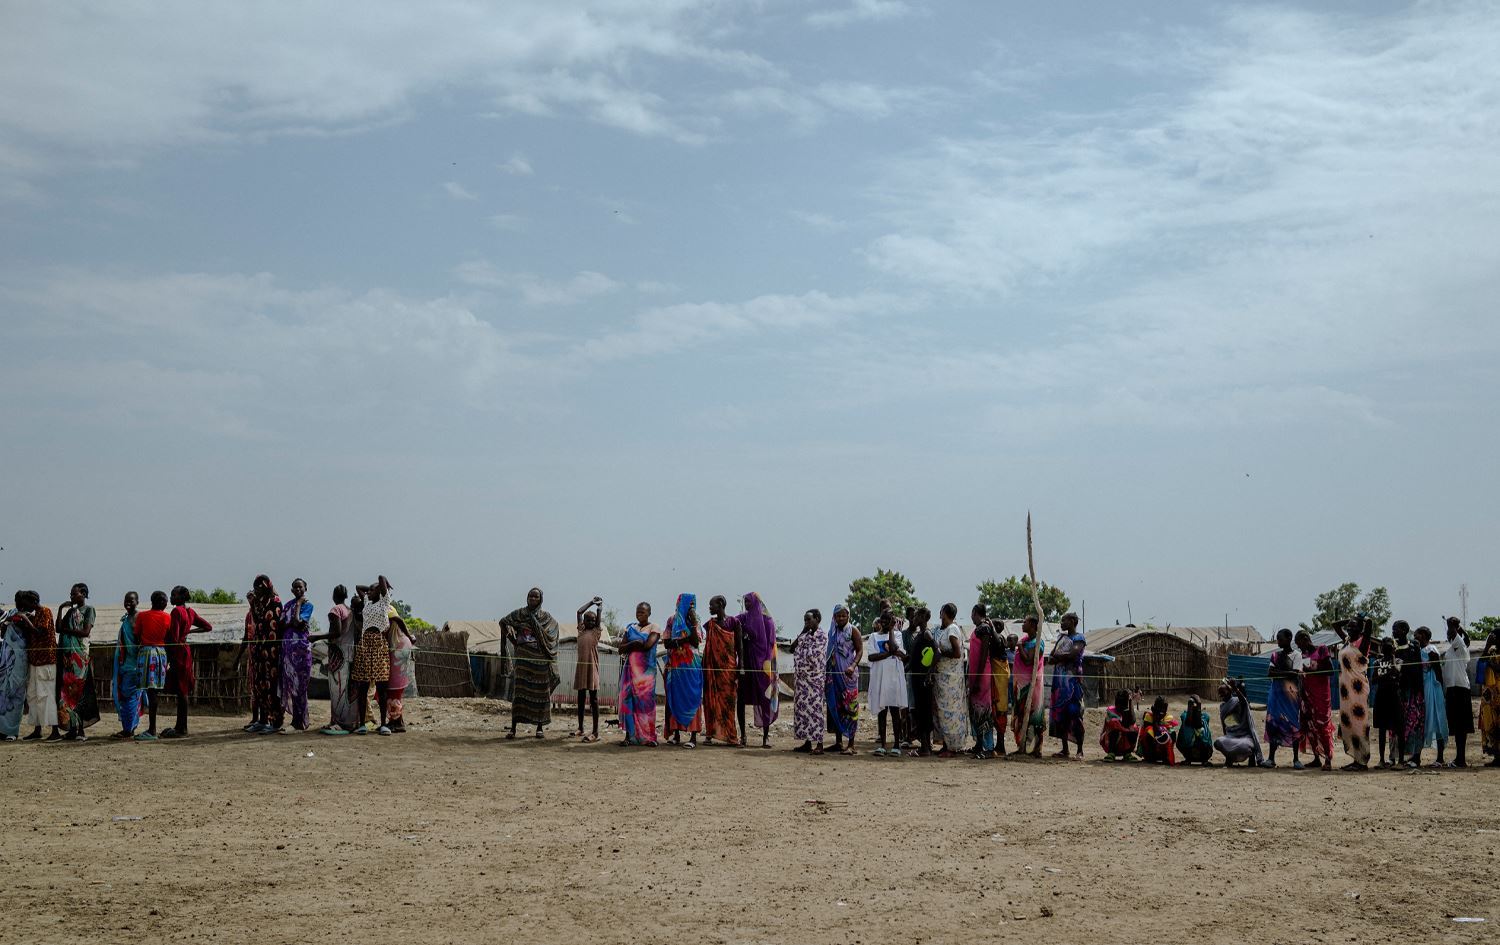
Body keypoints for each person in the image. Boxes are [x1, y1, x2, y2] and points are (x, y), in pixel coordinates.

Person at [500, 586, 560, 739]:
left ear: (541, 600)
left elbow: (554, 631)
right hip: (523, 660)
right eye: (530, 596)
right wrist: (513, 640)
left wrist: (545, 645)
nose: (533, 599)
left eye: (536, 597)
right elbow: (503, 622)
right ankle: (513, 728)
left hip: (540, 661)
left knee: (540, 693)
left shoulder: (546, 618)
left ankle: (539, 728)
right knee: (519, 693)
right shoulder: (520, 614)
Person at [726, 592, 778, 748]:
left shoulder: (768, 622)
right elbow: (730, 624)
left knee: (765, 700)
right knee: (740, 700)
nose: (747, 605)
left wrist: (769, 669)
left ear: (757, 602)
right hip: (745, 666)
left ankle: (766, 737)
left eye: (749, 602)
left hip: (763, 668)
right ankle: (743, 736)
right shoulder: (743, 618)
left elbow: (771, 646)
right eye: (745, 602)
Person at [55, 582, 98, 741]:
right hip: (67, 657)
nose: (72, 597)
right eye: (71, 594)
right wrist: (61, 609)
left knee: (79, 691)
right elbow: (58, 629)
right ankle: (72, 728)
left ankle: (81, 730)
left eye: (75, 594)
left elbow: (85, 632)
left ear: (84, 594)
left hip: (79, 656)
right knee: (66, 693)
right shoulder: (71, 611)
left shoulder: (89, 610)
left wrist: (67, 631)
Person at [351, 576, 393, 735]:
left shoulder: (385, 602)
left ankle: (383, 724)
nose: (369, 591)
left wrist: (383, 585)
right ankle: (362, 724)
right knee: (363, 686)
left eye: (373, 589)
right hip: (364, 644)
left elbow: (381, 577)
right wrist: (370, 589)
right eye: (369, 590)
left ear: (381, 592)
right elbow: (358, 586)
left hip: (379, 644)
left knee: (381, 687)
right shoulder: (367, 602)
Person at [241, 576, 282, 734]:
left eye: (259, 586)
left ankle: (275, 722)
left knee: (271, 686)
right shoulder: (259, 604)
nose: (256, 589)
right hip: (259, 650)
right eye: (255, 587)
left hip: (271, 652)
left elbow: (275, 624)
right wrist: (253, 603)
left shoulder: (275, 601)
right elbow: (256, 621)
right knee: (260, 686)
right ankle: (262, 720)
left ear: (267, 586)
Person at [15, 590, 59, 741]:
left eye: (27, 604)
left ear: (33, 602)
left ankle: (55, 731)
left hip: (46, 660)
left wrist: (25, 620)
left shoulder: (45, 612)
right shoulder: (36, 614)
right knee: (34, 695)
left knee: (47, 695)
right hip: (35, 660)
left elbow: (40, 631)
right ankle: (37, 729)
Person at [662, 594, 704, 748]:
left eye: (693, 604)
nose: (691, 607)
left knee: (692, 697)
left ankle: (693, 737)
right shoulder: (672, 620)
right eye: (689, 604)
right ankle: (676, 734)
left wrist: (692, 624)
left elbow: (695, 640)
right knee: (675, 698)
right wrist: (683, 640)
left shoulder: (695, 621)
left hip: (691, 667)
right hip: (675, 666)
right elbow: (667, 643)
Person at [317, 585, 359, 735]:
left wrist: (317, 637)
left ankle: (339, 722)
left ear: (334, 596)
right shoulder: (350, 611)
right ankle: (350, 721)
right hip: (350, 653)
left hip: (338, 654)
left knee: (338, 690)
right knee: (347, 689)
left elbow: (336, 633)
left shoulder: (335, 610)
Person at [617, 602, 660, 746]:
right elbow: (620, 648)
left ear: (649, 613)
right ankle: (630, 736)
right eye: (638, 612)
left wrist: (631, 643)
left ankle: (648, 737)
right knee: (628, 702)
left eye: (642, 612)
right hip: (630, 672)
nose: (639, 614)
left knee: (645, 704)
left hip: (646, 674)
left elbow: (648, 645)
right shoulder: (631, 628)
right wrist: (634, 643)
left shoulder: (654, 627)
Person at [1334, 617, 1374, 770]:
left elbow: (1369, 624)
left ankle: (1362, 761)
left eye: (1353, 627)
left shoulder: (1363, 643)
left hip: (1358, 690)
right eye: (1348, 627)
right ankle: (1356, 759)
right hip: (1345, 691)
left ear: (1360, 629)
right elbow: (1335, 625)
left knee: (1359, 724)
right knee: (1348, 723)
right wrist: (1349, 620)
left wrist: (1363, 619)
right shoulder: (1346, 641)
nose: (1349, 629)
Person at [866, 608, 907, 756]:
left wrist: (891, 631)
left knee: (895, 711)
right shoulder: (873, 636)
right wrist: (889, 653)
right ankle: (882, 745)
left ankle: (896, 744)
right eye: (882, 620)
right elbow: (871, 657)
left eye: (888, 620)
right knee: (882, 712)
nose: (884, 623)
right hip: (880, 677)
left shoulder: (897, 634)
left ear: (892, 622)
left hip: (894, 678)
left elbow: (896, 648)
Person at [132, 591, 172, 741]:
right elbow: (168, 637)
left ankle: (152, 730)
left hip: (147, 653)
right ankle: (152, 729)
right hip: (161, 653)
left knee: (151, 691)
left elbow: (137, 636)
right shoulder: (167, 617)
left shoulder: (142, 616)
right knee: (153, 690)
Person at [932, 603, 970, 757]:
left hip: (951, 679)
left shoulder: (953, 630)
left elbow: (957, 652)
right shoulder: (942, 630)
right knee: (942, 712)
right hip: (942, 677)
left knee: (951, 712)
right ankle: (946, 744)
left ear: (944, 613)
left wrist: (941, 652)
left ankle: (952, 747)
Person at [700, 595, 739, 746]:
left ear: (721, 604)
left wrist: (740, 666)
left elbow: (739, 645)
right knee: (710, 701)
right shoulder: (710, 625)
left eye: (712, 605)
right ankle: (710, 734)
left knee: (728, 703)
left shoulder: (733, 622)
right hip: (711, 668)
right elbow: (708, 648)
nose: (710, 608)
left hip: (728, 668)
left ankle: (730, 736)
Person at [279, 578, 315, 732]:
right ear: (292, 589)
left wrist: (299, 605)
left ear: (305, 588)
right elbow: (282, 624)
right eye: (295, 587)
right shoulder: (287, 605)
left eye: (300, 587)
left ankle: (299, 722)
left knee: (300, 686)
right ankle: (295, 721)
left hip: (300, 650)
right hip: (288, 651)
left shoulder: (307, 605)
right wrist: (292, 622)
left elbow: (298, 622)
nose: (297, 589)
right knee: (291, 685)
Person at [825, 604, 862, 755]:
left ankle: (851, 744)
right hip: (834, 675)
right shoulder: (832, 632)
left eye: (843, 615)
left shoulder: (853, 630)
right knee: (836, 706)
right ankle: (838, 742)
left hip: (848, 675)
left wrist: (853, 666)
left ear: (848, 616)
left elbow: (859, 650)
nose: (840, 618)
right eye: (838, 616)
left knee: (850, 708)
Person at [1263, 628, 1302, 768]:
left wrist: (1279, 672)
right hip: (1276, 695)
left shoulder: (1297, 655)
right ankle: (1271, 758)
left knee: (1293, 724)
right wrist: (1287, 672)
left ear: (1289, 638)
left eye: (1280, 638)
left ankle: (1296, 759)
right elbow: (1270, 673)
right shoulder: (1275, 655)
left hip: (1290, 697)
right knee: (1273, 723)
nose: (1278, 641)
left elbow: (1295, 674)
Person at [1048, 612, 1086, 758]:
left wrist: (1058, 656)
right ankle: (1065, 749)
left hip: (1073, 682)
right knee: (1061, 715)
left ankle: (1080, 749)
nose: (1061, 623)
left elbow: (1073, 655)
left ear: (1072, 621)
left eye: (1064, 620)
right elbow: (1051, 658)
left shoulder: (1079, 638)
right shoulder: (1061, 638)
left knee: (1075, 714)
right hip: (1059, 683)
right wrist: (1059, 657)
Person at [1296, 629, 1335, 771]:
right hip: (1307, 695)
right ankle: (1317, 758)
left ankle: (1328, 759)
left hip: (1321, 695)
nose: (1299, 647)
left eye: (1299, 644)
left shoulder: (1322, 650)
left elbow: (1330, 670)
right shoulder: (1303, 655)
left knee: (1322, 726)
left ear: (1306, 639)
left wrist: (1311, 671)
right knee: (1308, 726)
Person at [792, 608, 827, 755]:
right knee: (803, 711)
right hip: (802, 682)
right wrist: (803, 631)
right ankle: (807, 742)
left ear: (817, 619)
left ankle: (819, 744)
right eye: (805, 620)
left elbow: (816, 656)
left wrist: (804, 655)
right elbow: (792, 648)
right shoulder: (804, 636)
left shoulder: (822, 636)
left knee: (816, 712)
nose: (806, 622)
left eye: (809, 619)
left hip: (814, 680)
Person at [1009, 615, 1046, 757]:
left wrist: (1019, 647)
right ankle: (1022, 745)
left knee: (1033, 714)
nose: (1023, 624)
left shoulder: (1037, 643)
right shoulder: (1024, 640)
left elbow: (1029, 660)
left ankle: (1036, 749)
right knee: (1021, 714)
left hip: (1032, 685)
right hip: (1020, 685)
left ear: (1033, 625)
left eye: (1025, 622)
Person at [111, 591, 144, 739]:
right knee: (125, 696)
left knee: (130, 696)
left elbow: (138, 641)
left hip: (134, 665)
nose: (128, 603)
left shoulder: (138, 618)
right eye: (126, 600)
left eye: (131, 600)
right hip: (125, 664)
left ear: (137, 601)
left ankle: (128, 729)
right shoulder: (126, 619)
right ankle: (128, 727)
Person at [1441, 617, 1473, 767]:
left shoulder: (1459, 646)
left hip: (1460, 689)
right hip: (1453, 689)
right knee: (1456, 726)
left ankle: (1461, 759)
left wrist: (1453, 625)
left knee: (1461, 726)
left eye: (1451, 632)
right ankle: (1459, 758)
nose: (1449, 634)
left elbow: (1455, 633)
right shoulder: (1452, 649)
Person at [1394, 621, 1427, 767]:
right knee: (1401, 726)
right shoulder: (1394, 648)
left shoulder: (1414, 646)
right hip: (1401, 691)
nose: (1394, 632)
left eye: (1396, 629)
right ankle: (1402, 756)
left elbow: (1417, 668)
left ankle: (1416, 757)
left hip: (1414, 691)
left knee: (1415, 724)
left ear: (1404, 630)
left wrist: (1419, 690)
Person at [572, 597, 604, 742]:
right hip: (581, 668)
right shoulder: (581, 631)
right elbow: (579, 611)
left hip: (592, 669)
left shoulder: (596, 632)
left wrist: (599, 608)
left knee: (594, 699)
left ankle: (596, 732)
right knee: (580, 698)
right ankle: (580, 728)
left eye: (593, 620)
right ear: (584, 622)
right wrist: (591, 602)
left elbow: (597, 619)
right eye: (588, 620)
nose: (590, 622)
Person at [905, 607, 936, 756]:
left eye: (916, 616)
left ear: (923, 617)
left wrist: (930, 671)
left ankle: (925, 748)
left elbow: (938, 652)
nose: (913, 618)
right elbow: (913, 659)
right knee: (919, 711)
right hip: (916, 678)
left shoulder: (927, 633)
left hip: (923, 679)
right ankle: (925, 746)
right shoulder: (919, 635)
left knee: (924, 711)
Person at [1415, 625, 1448, 767]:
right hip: (1423, 687)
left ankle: (1440, 758)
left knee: (1436, 719)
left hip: (1432, 688)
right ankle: (1416, 757)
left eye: (1417, 634)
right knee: (1421, 721)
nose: (1415, 637)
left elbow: (1438, 671)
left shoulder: (1431, 650)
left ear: (1423, 635)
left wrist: (1441, 690)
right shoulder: (1418, 651)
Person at [966, 606, 995, 759]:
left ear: (975, 613)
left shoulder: (984, 628)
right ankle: (979, 744)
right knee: (975, 710)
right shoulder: (978, 628)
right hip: (974, 675)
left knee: (984, 710)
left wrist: (977, 677)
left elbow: (984, 654)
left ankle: (989, 747)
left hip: (981, 675)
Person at [1, 595, 31, 741]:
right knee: (3, 694)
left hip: (20, 661)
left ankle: (12, 731)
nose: (18, 602)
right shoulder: (11, 613)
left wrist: (21, 620)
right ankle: (2, 729)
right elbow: (3, 632)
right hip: (6, 660)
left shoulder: (30, 616)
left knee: (17, 695)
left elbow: (32, 633)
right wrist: (5, 625)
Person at [1214, 679, 1263, 767]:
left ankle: (1251, 756)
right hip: (1230, 736)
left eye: (1223, 693)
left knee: (1244, 746)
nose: (1222, 696)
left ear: (1229, 691)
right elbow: (1224, 724)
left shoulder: (1237, 701)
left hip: (1244, 737)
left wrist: (1235, 688)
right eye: (1220, 695)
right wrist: (1226, 736)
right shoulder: (1222, 706)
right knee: (1218, 742)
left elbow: (1243, 702)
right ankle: (1229, 758)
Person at [1370, 637, 1402, 767]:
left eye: (1388, 644)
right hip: (1381, 697)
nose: (1385, 646)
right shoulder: (1377, 662)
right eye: (1383, 644)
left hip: (1394, 696)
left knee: (1398, 728)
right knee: (1382, 729)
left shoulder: (1398, 660)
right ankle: (1382, 759)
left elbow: (1397, 672)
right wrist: (1388, 675)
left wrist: (1393, 658)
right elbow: (1374, 679)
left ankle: (1399, 760)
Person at [383, 611, 417, 733]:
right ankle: (395, 721)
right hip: (399, 657)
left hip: (397, 662)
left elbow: (398, 619)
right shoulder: (401, 638)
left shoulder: (388, 609)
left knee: (393, 695)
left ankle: (397, 723)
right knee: (393, 695)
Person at [986, 617, 1010, 758]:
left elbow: (996, 640)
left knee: (1000, 710)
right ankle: (997, 745)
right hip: (996, 677)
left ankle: (1001, 746)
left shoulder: (999, 638)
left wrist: (992, 627)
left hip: (1000, 677)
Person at [1098, 689, 1138, 761]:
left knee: (1134, 728)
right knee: (1116, 725)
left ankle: (1127, 753)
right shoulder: (1111, 711)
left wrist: (1130, 701)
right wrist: (1127, 730)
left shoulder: (1128, 712)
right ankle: (1111, 753)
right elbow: (1115, 726)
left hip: (1124, 744)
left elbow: (1133, 721)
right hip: (1110, 743)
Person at [1175, 695, 1214, 765]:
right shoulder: (1185, 715)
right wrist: (1190, 708)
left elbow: (1199, 725)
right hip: (1188, 751)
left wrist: (1198, 705)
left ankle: (1204, 760)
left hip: (1205, 753)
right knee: (1187, 727)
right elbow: (1188, 721)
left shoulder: (1205, 716)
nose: (1194, 707)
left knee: (1202, 732)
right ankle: (1188, 758)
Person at [1481, 632, 1500, 767]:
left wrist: (1491, 664)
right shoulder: (1491, 650)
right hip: (1489, 694)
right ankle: (1496, 756)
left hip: (1499, 692)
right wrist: (1487, 646)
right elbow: (1481, 663)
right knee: (1490, 724)